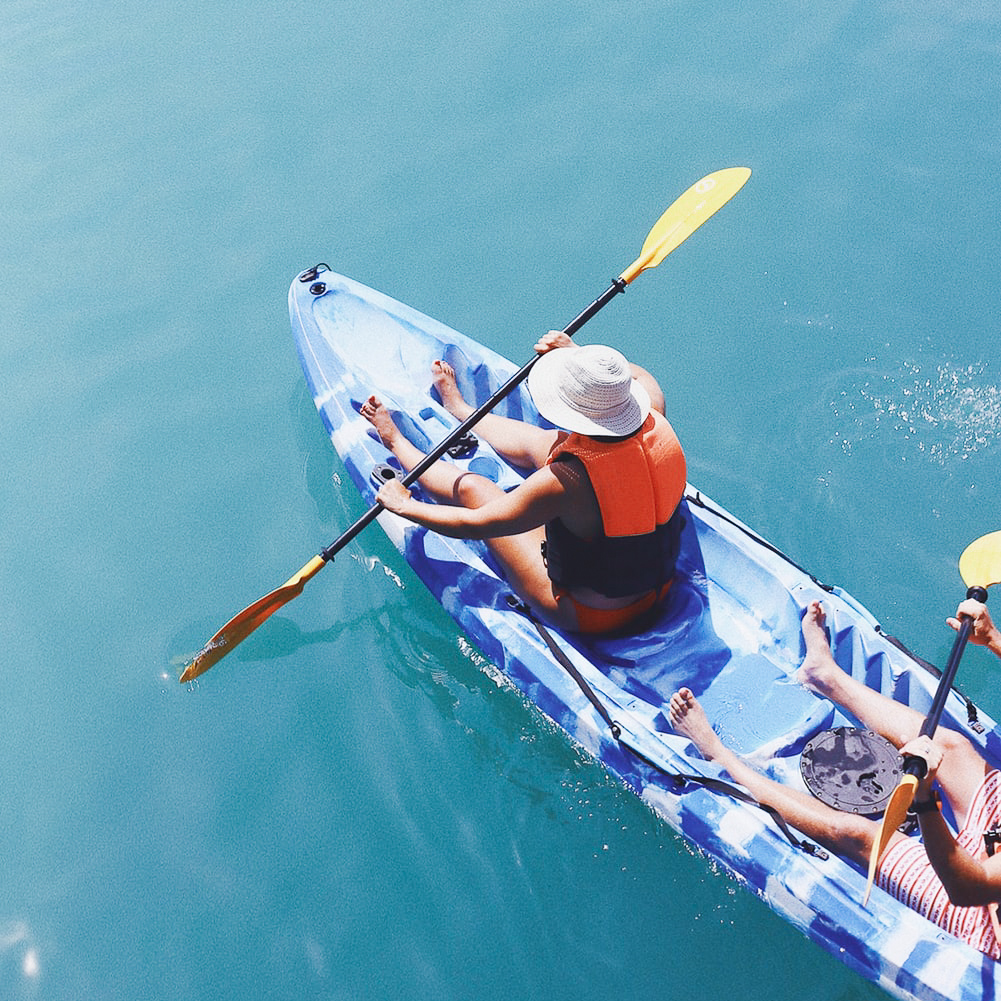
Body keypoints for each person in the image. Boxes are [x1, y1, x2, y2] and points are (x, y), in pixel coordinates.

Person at [668, 598, 1001, 958]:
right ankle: (824, 674)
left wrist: (923, 800)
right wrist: (992, 638)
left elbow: (969, 886)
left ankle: (722, 757)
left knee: (858, 834)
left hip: (982, 909)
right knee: (952, 747)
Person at [360, 331, 687, 635]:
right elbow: (639, 377)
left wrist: (405, 505)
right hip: (660, 585)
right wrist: (578, 357)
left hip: (591, 614)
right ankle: (461, 410)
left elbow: (476, 525)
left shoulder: (566, 482)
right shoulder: (654, 409)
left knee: (479, 491)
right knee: (547, 443)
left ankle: (397, 443)